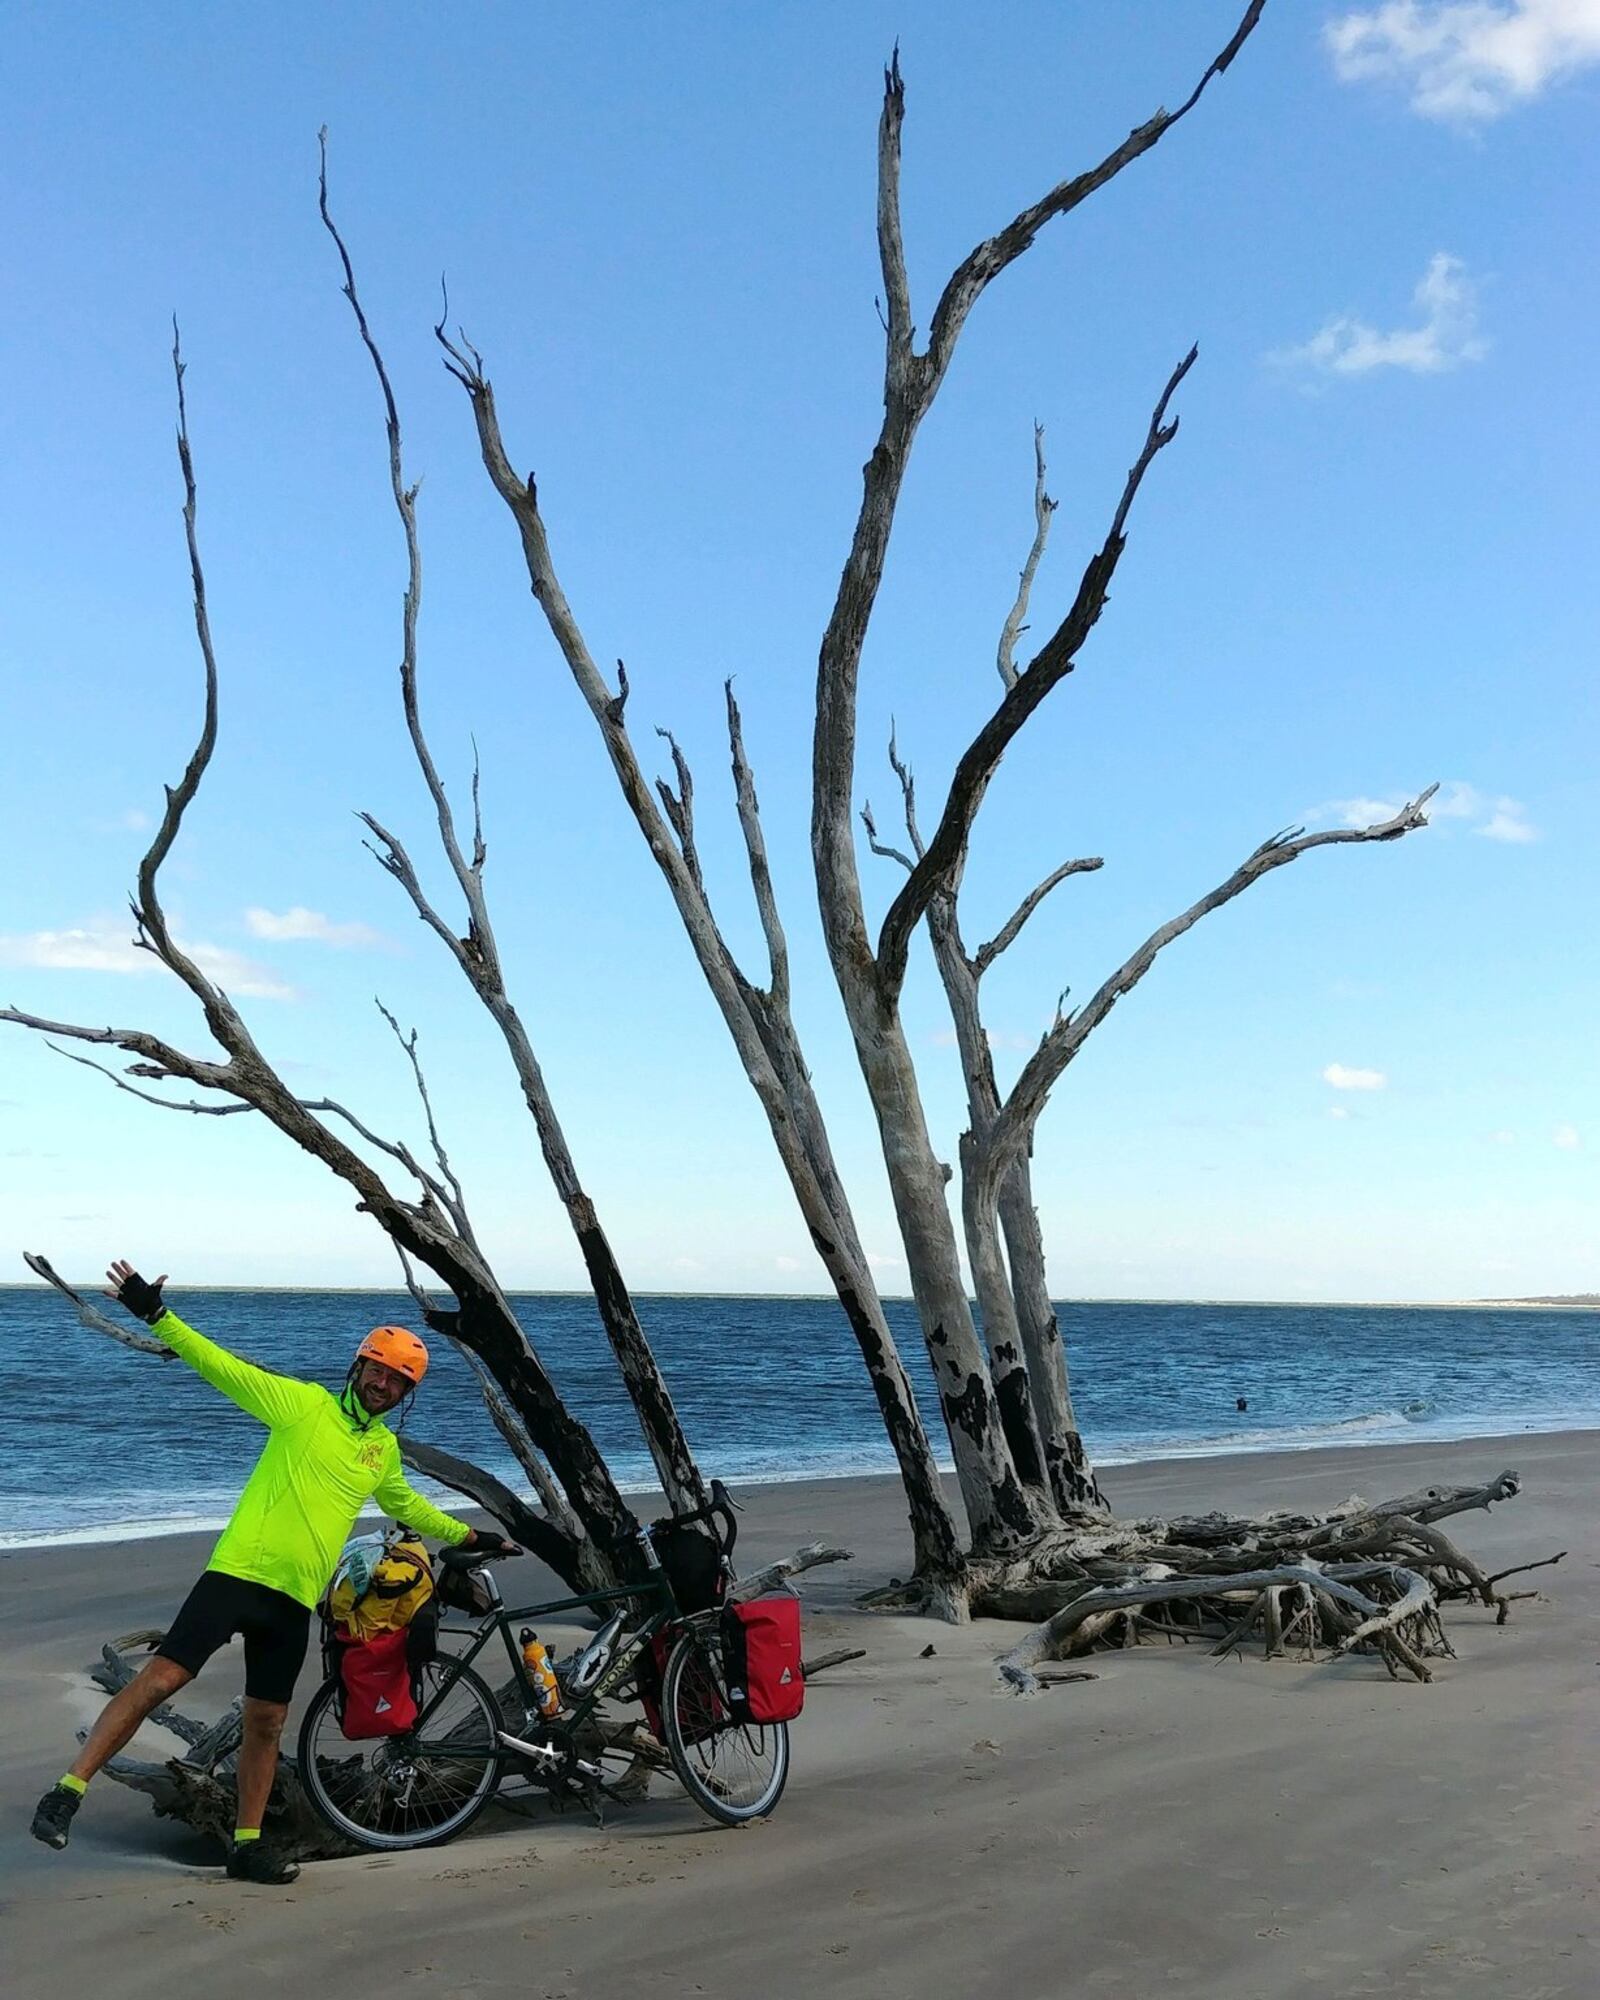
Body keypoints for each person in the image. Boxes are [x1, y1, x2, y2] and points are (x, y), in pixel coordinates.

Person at [30, 1259, 517, 1884]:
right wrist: (155, 1315)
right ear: (359, 1365)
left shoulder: (382, 1448)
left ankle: (247, 1845)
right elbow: (222, 1367)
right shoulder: (302, 1406)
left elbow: (404, 1504)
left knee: (267, 1722)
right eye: (378, 1370)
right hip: (237, 1575)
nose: (383, 1386)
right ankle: (68, 1790)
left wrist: (471, 1534)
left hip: (294, 1599)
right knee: (160, 1680)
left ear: (405, 1394)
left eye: (398, 1382)